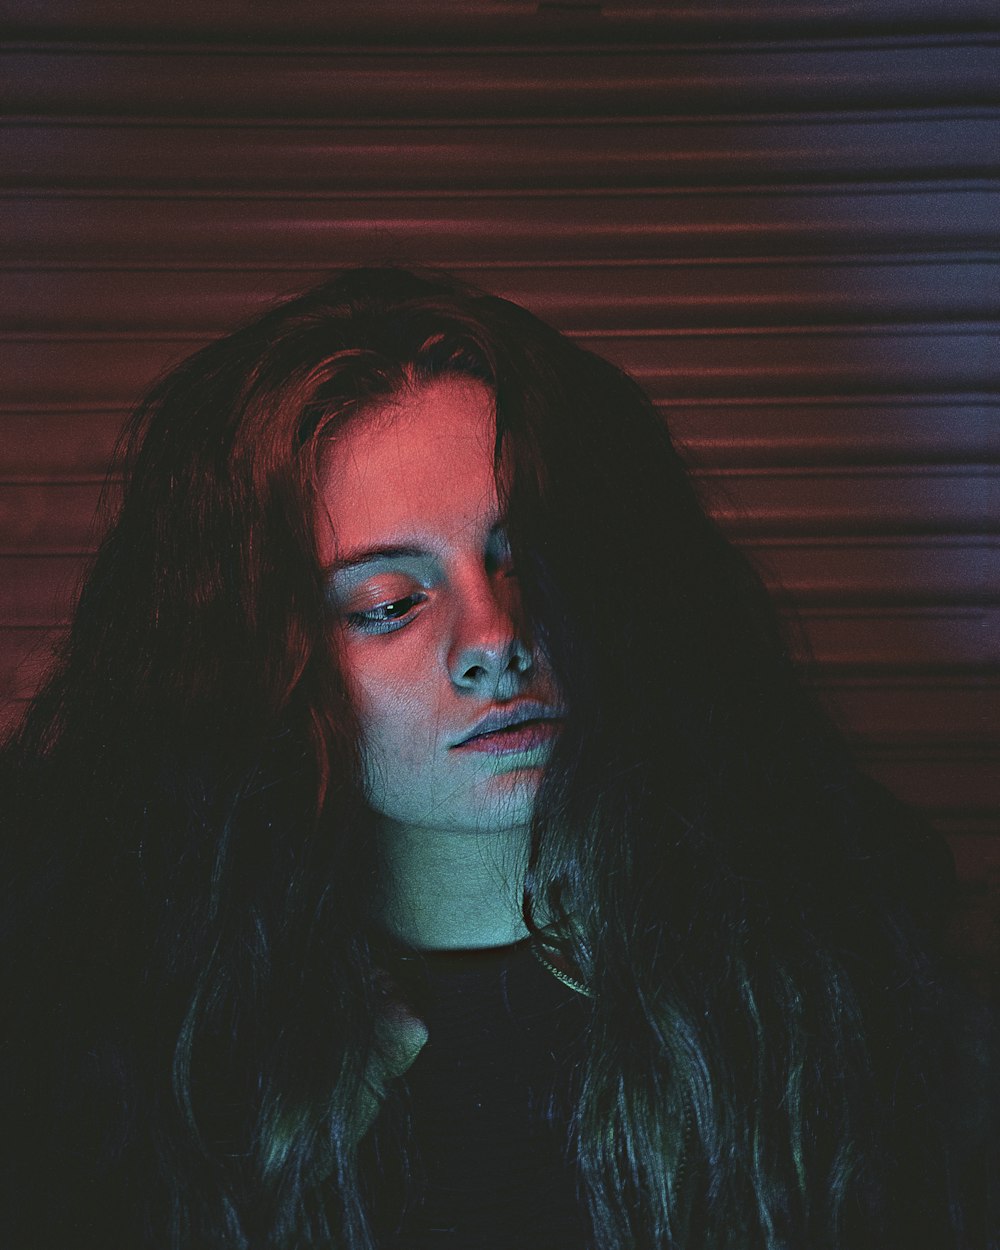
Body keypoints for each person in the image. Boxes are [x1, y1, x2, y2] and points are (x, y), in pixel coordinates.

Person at [1, 266, 994, 1249]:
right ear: (260, 661)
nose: (494, 636)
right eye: (389, 601)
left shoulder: (823, 978)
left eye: (528, 558)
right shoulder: (141, 1056)